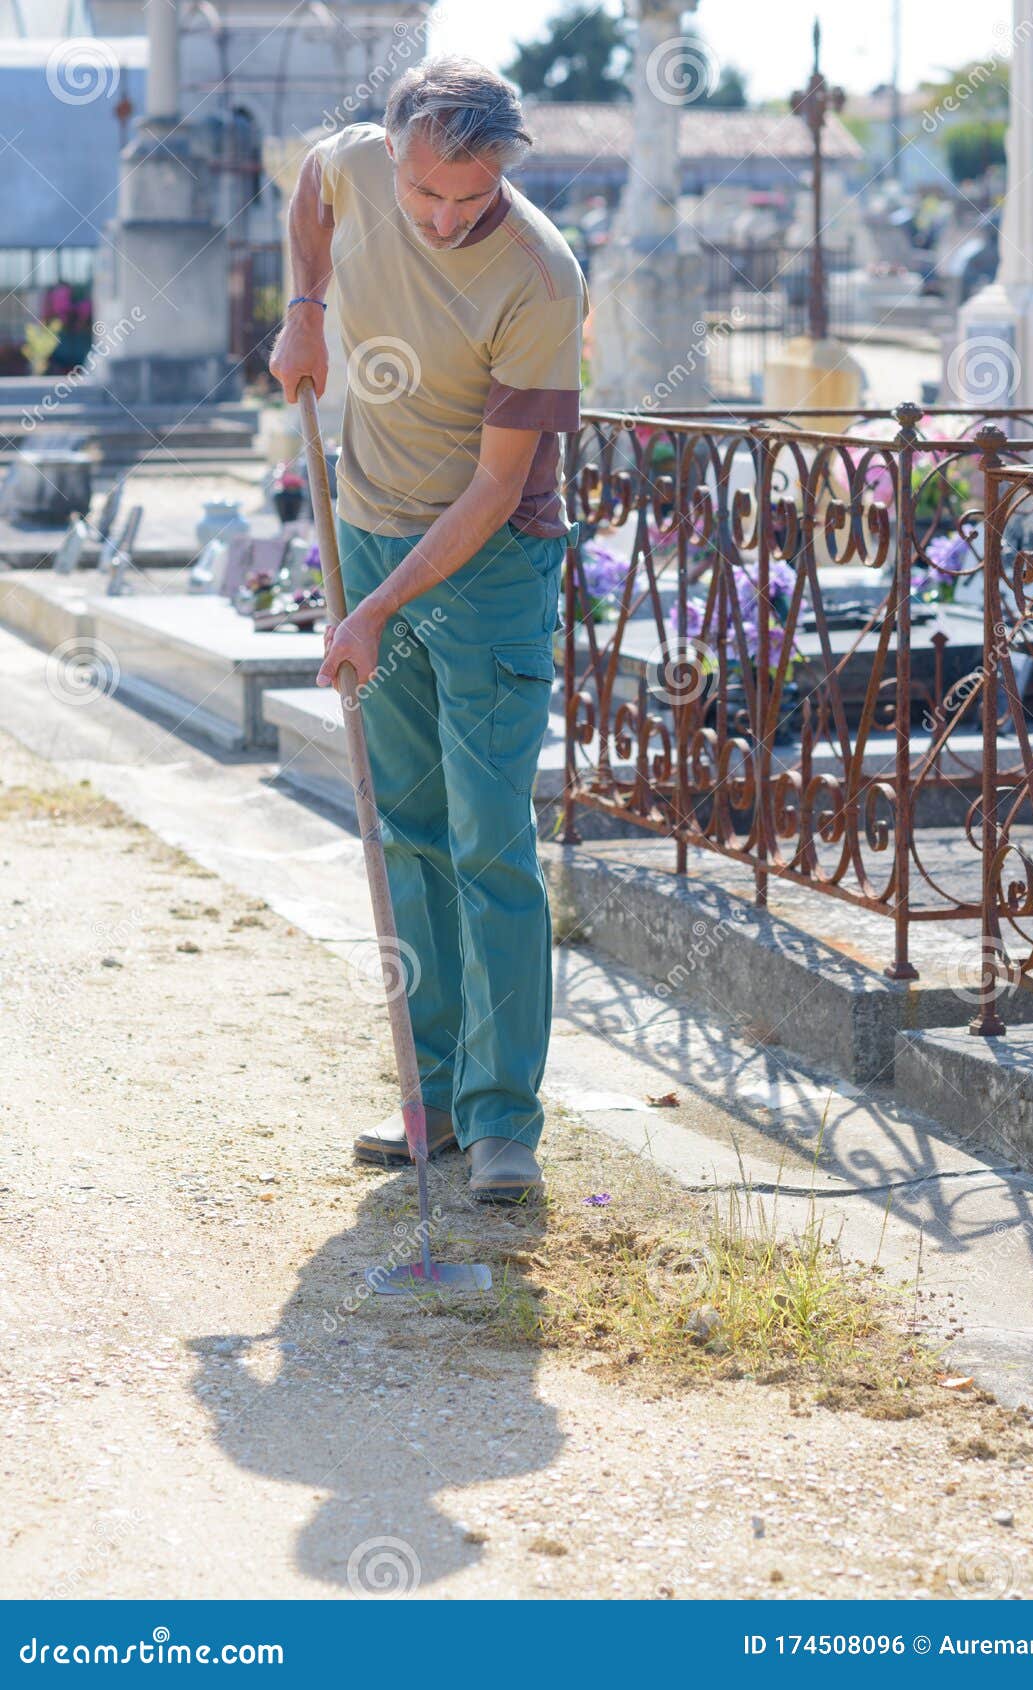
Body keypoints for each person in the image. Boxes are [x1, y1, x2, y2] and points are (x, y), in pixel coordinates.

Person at [269, 57, 588, 1201]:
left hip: (487, 564)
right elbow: (310, 189)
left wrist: (372, 605)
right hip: (370, 530)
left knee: (490, 837)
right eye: (428, 197)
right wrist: (304, 308)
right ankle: (437, 1095)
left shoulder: (541, 278)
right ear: (393, 155)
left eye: (475, 197)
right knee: (404, 823)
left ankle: (506, 1123)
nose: (451, 219)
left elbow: (495, 491)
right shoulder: (356, 162)